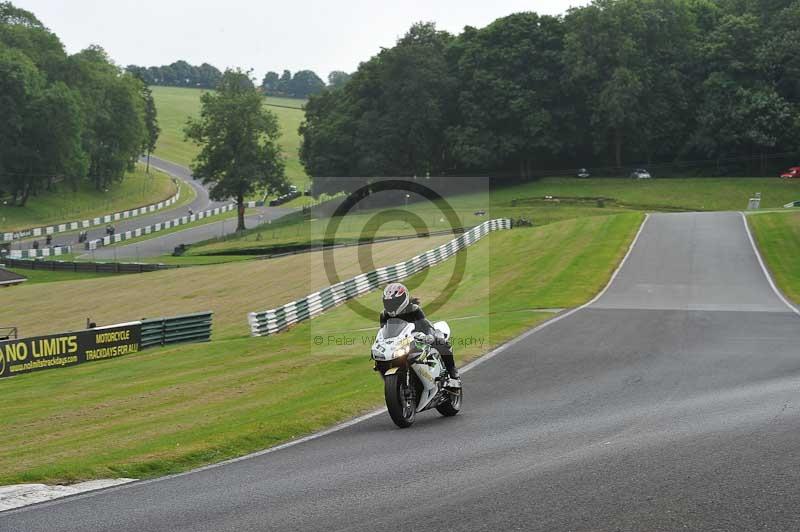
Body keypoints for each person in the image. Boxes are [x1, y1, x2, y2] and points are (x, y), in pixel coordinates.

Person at [380, 282, 459, 383]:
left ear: (403, 300)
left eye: (394, 303)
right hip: (400, 343)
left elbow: (425, 325)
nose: (391, 306)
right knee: (380, 361)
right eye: (388, 303)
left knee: (440, 342)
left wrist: (429, 336)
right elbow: (384, 332)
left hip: (419, 337)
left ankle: (452, 372)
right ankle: (392, 382)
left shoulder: (414, 309)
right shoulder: (384, 315)